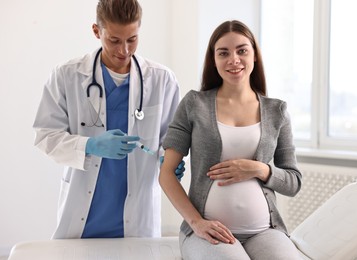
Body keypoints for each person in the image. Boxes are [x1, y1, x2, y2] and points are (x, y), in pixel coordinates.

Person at [33, 0, 185, 239]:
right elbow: (45, 136)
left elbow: (171, 137)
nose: (124, 50)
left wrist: (169, 159)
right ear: (96, 31)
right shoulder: (67, 75)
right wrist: (90, 145)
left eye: (132, 39)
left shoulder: (162, 80)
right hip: (83, 216)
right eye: (114, 40)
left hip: (138, 218)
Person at [159, 20, 302, 259]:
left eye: (242, 50)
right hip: (208, 232)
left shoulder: (277, 111)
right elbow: (166, 173)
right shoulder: (195, 104)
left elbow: (293, 182)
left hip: (265, 231)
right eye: (223, 53)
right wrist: (196, 223)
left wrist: (258, 169)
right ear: (213, 60)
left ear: (254, 55)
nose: (233, 59)